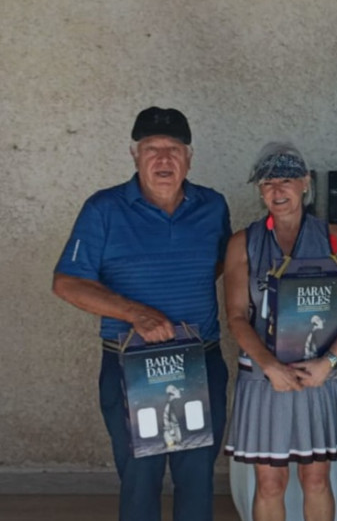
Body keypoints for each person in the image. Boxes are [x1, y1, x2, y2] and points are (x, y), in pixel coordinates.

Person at [52, 107, 231, 521]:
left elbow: (219, 264)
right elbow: (66, 282)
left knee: (198, 475)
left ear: (189, 157)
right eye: (152, 149)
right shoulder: (103, 209)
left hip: (199, 359)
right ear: (135, 155)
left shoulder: (213, 206)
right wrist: (137, 313)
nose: (163, 159)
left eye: (173, 149)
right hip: (130, 364)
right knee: (140, 478)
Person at [222, 142, 337, 521]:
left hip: (319, 375)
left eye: (287, 180)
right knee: (270, 483)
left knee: (316, 479)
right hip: (264, 377)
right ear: (260, 190)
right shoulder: (244, 242)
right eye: (268, 183)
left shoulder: (333, 237)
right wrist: (270, 366)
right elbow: (237, 316)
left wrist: (330, 361)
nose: (278, 190)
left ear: (305, 183)